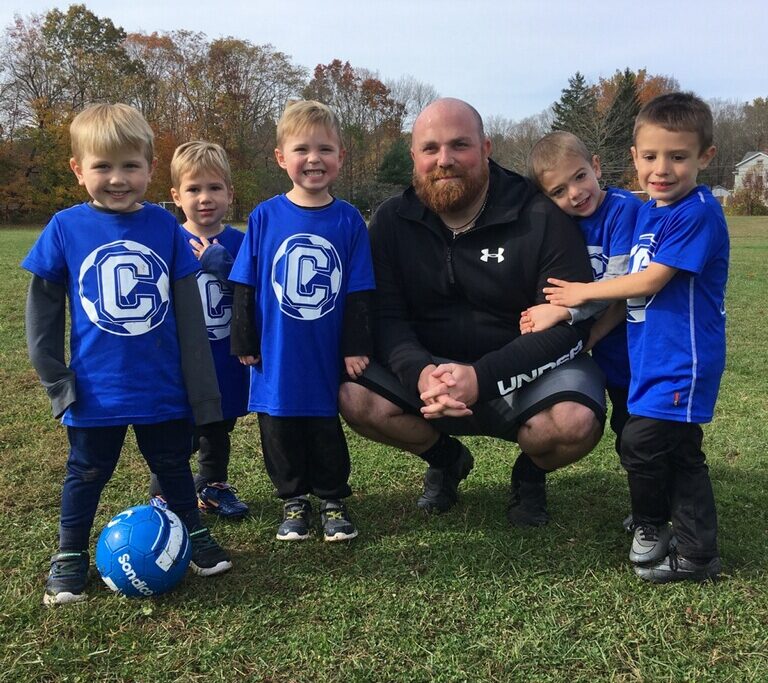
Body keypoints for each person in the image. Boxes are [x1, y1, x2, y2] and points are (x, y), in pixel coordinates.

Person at [339, 98, 606, 527]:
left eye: (459, 145)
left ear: (485, 147)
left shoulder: (539, 214)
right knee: (355, 396)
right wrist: (421, 373)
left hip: (522, 373)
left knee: (574, 422)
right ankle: (446, 460)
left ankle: (530, 473)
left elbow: (569, 327)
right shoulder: (391, 221)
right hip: (430, 375)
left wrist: (482, 379)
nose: (444, 160)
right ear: (414, 157)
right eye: (430, 149)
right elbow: (385, 317)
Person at [23, 103, 232, 606]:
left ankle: (194, 533)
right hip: (97, 391)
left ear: (151, 168)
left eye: (131, 166)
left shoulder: (165, 227)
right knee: (86, 471)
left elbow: (188, 318)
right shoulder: (64, 227)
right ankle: (69, 553)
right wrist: (57, 380)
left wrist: (199, 392)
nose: (118, 179)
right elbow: (42, 316)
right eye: (103, 166)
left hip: (162, 386)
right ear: (78, 170)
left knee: (173, 464)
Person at [543, 92, 727, 583]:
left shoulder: (696, 212)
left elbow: (649, 281)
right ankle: (687, 546)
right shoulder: (653, 212)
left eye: (678, 156)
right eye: (650, 157)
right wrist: (597, 332)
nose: (661, 169)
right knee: (676, 449)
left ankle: (667, 534)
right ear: (634, 158)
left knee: (643, 443)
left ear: (705, 157)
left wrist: (581, 294)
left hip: (682, 359)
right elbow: (630, 295)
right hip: (652, 357)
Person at [229, 100, 375, 542]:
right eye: (302, 149)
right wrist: (244, 340)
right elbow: (245, 284)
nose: (314, 159)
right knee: (278, 427)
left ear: (341, 157)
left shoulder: (349, 220)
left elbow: (359, 290)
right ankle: (292, 499)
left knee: (323, 425)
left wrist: (355, 344)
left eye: (326, 149)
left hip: (323, 349)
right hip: (275, 350)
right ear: (281, 158)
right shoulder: (264, 216)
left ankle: (332, 498)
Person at [148, 141, 250, 519]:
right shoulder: (167, 242)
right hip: (185, 359)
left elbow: (255, 296)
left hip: (227, 356)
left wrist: (224, 265)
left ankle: (211, 486)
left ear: (230, 193)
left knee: (219, 428)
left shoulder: (242, 242)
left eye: (214, 188)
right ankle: (163, 493)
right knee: (182, 432)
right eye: (193, 189)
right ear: (176, 196)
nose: (204, 198)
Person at [523, 131, 641, 455]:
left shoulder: (623, 209)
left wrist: (566, 312)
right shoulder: (563, 224)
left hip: (640, 346)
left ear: (596, 167)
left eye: (579, 177)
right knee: (626, 431)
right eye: (559, 191)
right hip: (611, 354)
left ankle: (666, 502)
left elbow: (622, 286)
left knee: (645, 433)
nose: (575, 194)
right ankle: (648, 499)